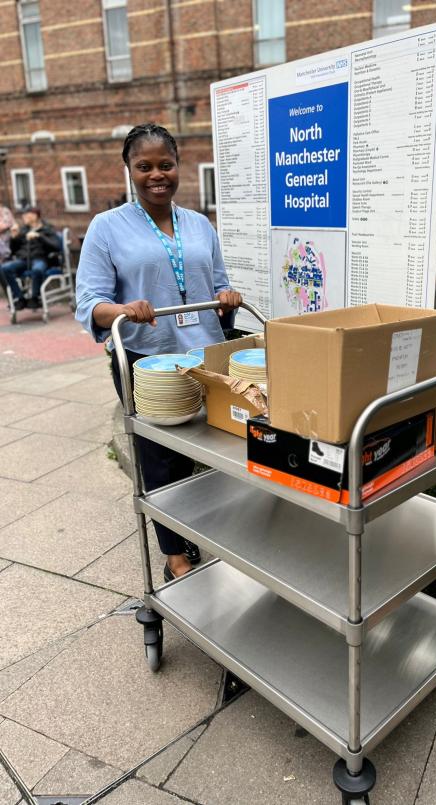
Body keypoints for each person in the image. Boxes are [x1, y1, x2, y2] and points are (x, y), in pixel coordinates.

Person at [76, 122, 242, 582]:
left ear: (178, 166)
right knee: (160, 455)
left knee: (215, 445)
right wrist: (122, 309)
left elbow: (219, 280)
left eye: (165, 165)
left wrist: (227, 294)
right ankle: (174, 555)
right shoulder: (106, 227)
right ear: (129, 170)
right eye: (144, 166)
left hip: (204, 353)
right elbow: (89, 302)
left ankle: (206, 529)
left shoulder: (199, 224)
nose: (156, 175)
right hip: (148, 362)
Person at [0, 206, 60, 310]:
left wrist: (39, 236)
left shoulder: (46, 229)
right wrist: (14, 238)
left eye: (26, 215)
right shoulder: (23, 230)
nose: (23, 217)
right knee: (5, 268)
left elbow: (56, 246)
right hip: (23, 259)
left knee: (37, 269)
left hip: (40, 258)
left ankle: (34, 298)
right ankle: (19, 298)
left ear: (34, 216)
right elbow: (13, 250)